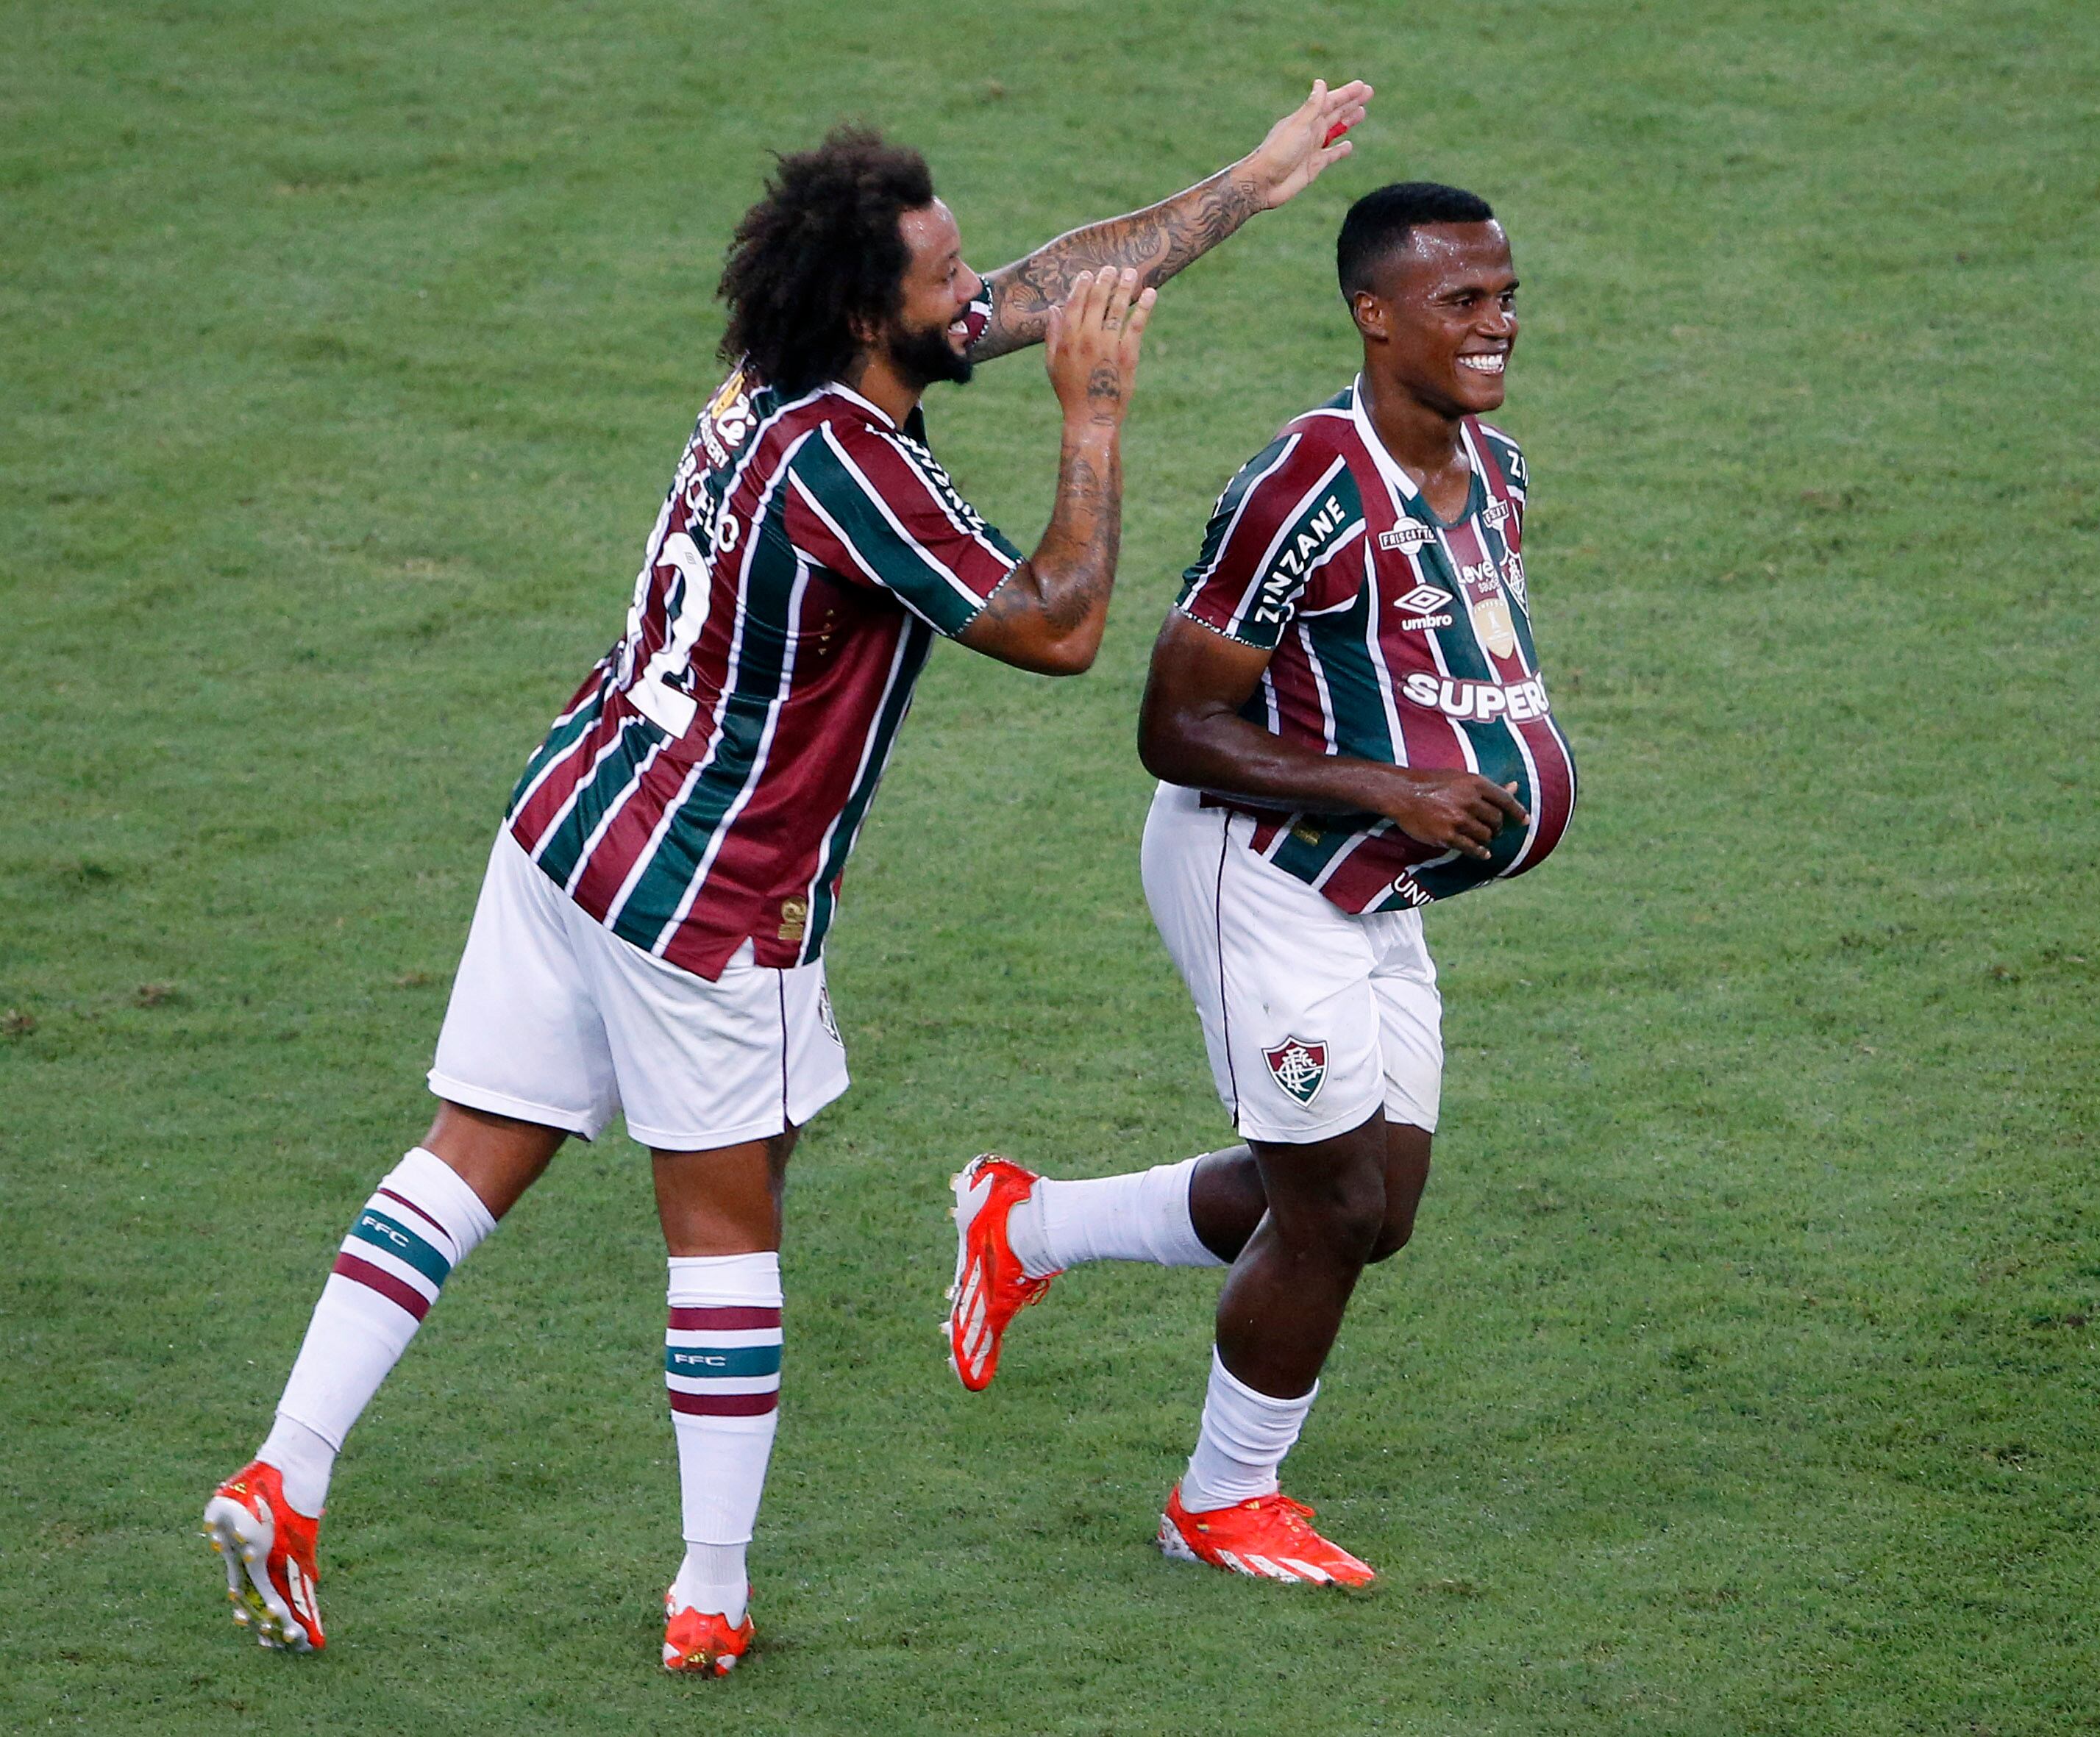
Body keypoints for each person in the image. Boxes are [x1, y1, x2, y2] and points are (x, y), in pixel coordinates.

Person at [201, 80, 1373, 1674]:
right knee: (725, 1225)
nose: (978, 292)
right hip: (711, 895)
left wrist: (1245, 184)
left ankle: (289, 1462)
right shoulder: (852, 471)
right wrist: (1090, 421)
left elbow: (1041, 284)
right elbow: (1058, 626)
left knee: (468, 1152)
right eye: (940, 276)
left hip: (570, 825)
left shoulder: (775, 370)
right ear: (864, 313)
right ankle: (712, 1589)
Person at [947, 182, 1575, 1586]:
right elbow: (1175, 726)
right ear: (1373, 314)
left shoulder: (1500, 473)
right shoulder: (1303, 482)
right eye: (1459, 303)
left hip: (1377, 885)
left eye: (1505, 296)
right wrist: (1393, 791)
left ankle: (1027, 1223)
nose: (1496, 326)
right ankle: (1222, 1499)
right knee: (1334, 1209)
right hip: (1260, 869)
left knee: (1380, 1206)